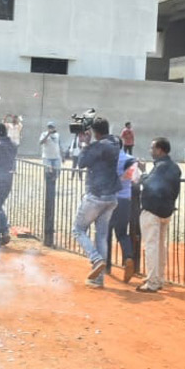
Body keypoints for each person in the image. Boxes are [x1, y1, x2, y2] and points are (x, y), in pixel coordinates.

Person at [74, 117, 129, 287]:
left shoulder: (98, 146)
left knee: (78, 229)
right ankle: (98, 280)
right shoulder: (114, 142)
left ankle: (96, 259)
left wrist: (85, 143)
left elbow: (81, 163)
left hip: (96, 196)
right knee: (102, 236)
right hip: (111, 197)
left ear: (94, 132)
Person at [136, 137, 181, 294]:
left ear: (160, 150)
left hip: (153, 210)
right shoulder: (175, 167)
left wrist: (143, 172)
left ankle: (153, 282)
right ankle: (159, 278)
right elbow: (175, 190)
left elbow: (149, 184)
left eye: (152, 148)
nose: (151, 151)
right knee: (160, 246)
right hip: (166, 210)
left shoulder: (160, 167)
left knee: (151, 246)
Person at [109, 148, 137, 281]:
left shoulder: (109, 159)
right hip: (125, 200)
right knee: (122, 233)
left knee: (105, 233)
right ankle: (128, 258)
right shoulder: (131, 159)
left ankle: (106, 264)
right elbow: (135, 179)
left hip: (110, 200)